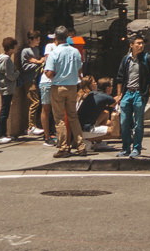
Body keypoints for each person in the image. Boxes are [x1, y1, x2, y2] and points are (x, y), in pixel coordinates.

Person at [115, 34, 150, 159]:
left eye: (142, 43)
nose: (141, 46)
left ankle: (136, 148)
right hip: (127, 93)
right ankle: (125, 148)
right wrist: (119, 94)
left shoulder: (146, 58)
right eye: (138, 43)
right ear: (131, 45)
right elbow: (119, 77)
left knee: (138, 123)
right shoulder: (126, 59)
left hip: (139, 94)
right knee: (124, 122)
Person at [44, 26, 84, 158]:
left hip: (58, 86)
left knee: (59, 118)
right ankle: (80, 145)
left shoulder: (54, 53)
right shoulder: (75, 52)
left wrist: (48, 72)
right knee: (73, 116)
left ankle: (63, 147)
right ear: (67, 37)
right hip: (72, 86)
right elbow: (79, 69)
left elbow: (49, 73)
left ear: (56, 38)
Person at [76, 77, 116, 155]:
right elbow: (113, 102)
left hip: (81, 126)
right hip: (84, 128)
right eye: (93, 82)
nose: (95, 83)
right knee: (115, 131)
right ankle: (87, 140)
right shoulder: (94, 95)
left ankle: (98, 142)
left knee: (105, 113)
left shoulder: (92, 94)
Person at [0, 36, 19, 144]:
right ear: (11, 48)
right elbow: (11, 76)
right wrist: (17, 73)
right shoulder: (7, 59)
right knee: (4, 111)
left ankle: (2, 133)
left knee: (4, 110)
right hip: (7, 88)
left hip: (2, 86)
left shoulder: (0, 57)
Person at [19, 30, 45, 136]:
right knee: (34, 102)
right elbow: (24, 67)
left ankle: (33, 125)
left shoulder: (36, 50)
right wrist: (38, 63)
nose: (38, 41)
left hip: (36, 78)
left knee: (35, 102)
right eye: (36, 39)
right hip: (29, 80)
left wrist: (38, 62)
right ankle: (31, 126)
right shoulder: (25, 51)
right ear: (30, 40)